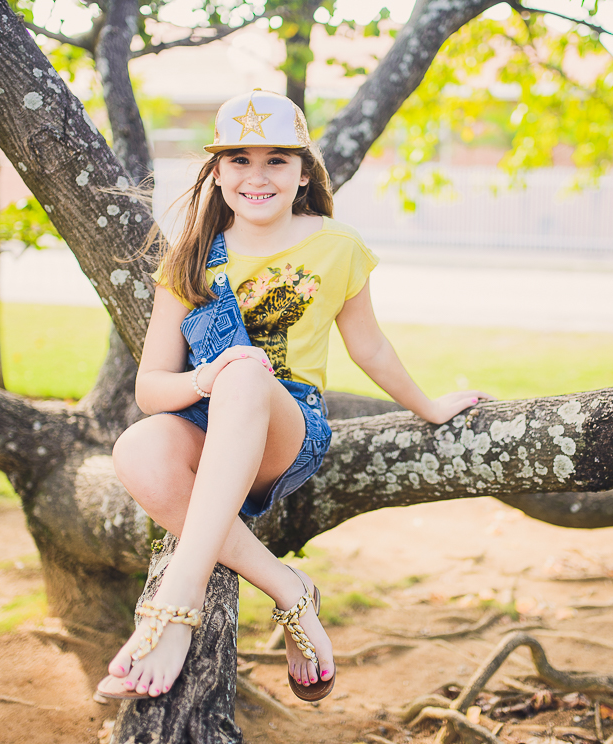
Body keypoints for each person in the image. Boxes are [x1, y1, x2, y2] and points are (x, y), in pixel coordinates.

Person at [96, 89, 491, 703]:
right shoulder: (192, 258)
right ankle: (288, 589)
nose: (258, 176)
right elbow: (151, 390)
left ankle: (176, 602)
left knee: (250, 375)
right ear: (218, 174)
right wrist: (211, 374)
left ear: (304, 172)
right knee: (136, 450)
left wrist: (430, 407)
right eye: (240, 161)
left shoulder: (337, 245)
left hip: (287, 429)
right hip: (206, 419)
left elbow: (371, 349)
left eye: (277, 160)